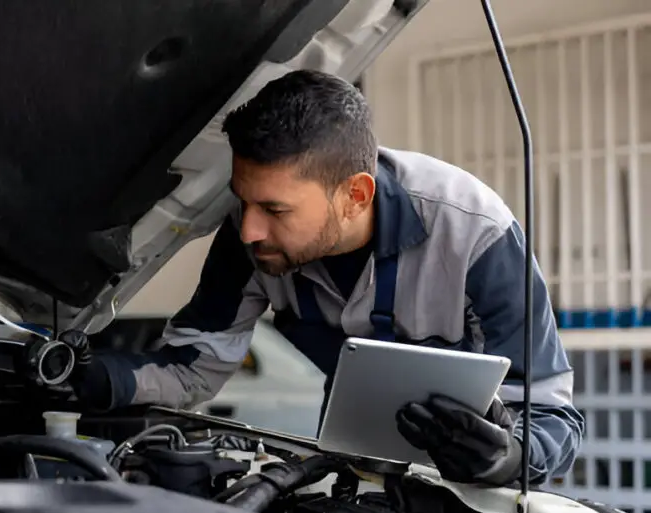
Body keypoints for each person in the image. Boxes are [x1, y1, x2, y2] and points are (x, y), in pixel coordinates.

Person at [63, 70, 584, 487]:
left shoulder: (475, 234)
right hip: (346, 478)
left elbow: (553, 417)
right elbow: (192, 368)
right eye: (243, 200)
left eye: (274, 208)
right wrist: (95, 378)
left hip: (468, 505)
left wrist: (506, 458)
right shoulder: (251, 235)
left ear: (355, 195)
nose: (248, 229)